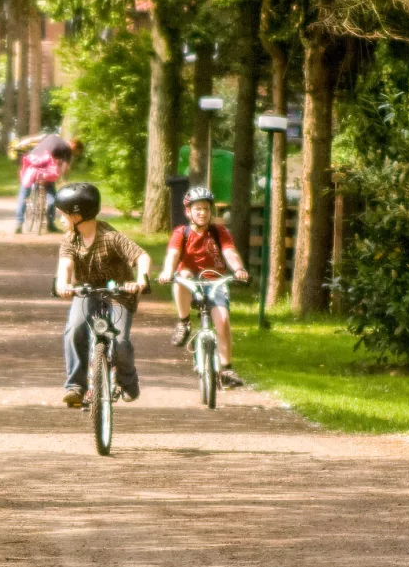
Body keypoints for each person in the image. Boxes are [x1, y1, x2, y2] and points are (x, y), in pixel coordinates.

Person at [53, 182, 150, 407]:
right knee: (74, 329)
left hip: (118, 294)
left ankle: (128, 381)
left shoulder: (111, 237)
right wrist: (62, 283)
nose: (60, 220)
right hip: (86, 291)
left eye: (64, 215)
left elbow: (142, 257)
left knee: (121, 341)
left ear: (78, 215)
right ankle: (76, 386)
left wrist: (141, 279)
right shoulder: (70, 239)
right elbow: (65, 264)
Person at [157, 185, 250, 388]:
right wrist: (166, 271)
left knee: (223, 321)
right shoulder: (182, 232)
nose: (202, 213)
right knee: (182, 275)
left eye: (206, 209)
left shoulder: (219, 232)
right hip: (190, 281)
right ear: (188, 211)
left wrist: (238, 268)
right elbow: (173, 254)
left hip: (214, 281)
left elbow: (229, 252)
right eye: (197, 209)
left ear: (211, 211)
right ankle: (183, 322)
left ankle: (226, 369)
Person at [15, 134, 74, 234]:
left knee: (24, 194)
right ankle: (50, 224)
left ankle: (19, 223)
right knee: (52, 196)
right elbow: (65, 167)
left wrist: (21, 144)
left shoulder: (49, 136)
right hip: (46, 170)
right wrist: (60, 178)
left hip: (32, 163)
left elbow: (33, 139)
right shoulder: (66, 149)